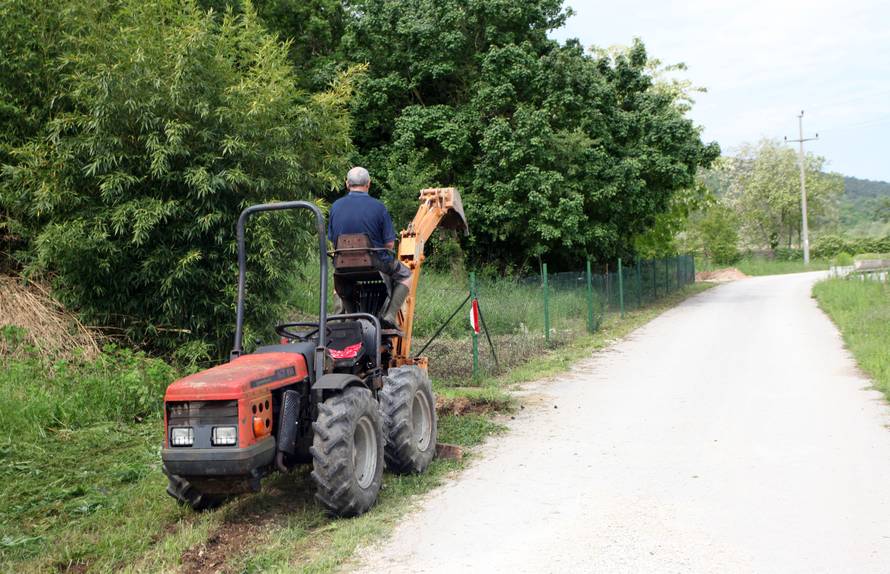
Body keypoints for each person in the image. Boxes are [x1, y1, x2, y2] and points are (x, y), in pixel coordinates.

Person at [327, 167, 412, 328]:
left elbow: (333, 240)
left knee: (339, 279)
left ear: (347, 184)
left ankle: (345, 318)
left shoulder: (335, 207)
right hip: (374, 263)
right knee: (406, 275)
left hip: (343, 265)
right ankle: (389, 315)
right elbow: (389, 244)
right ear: (369, 184)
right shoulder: (379, 207)